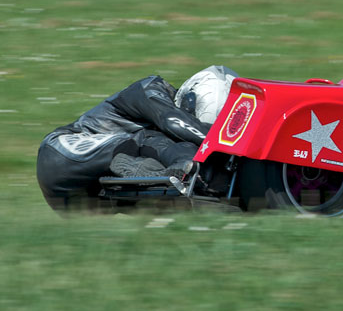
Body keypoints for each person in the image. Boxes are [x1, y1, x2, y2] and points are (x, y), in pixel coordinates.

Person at [36, 65, 238, 213]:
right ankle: (156, 171)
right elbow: (173, 122)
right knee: (150, 138)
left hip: (89, 199)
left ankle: (173, 178)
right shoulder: (149, 88)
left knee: (179, 155)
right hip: (60, 153)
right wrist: (229, 146)